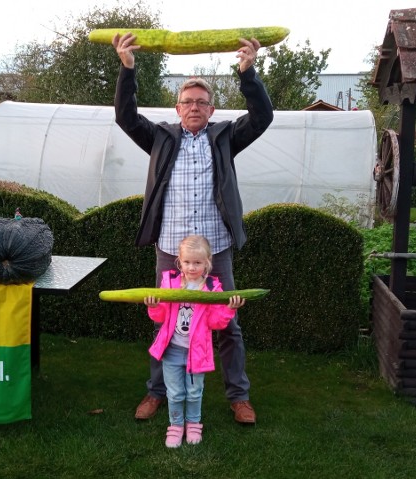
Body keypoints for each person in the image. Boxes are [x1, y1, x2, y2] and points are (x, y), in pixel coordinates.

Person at [112, 32, 274, 425]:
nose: (194, 107)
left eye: (202, 102)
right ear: (177, 107)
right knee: (166, 320)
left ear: (212, 108)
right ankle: (156, 393)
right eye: (188, 102)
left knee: (228, 323)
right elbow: (125, 117)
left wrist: (248, 73)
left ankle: (239, 397)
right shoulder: (160, 138)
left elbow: (262, 117)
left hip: (216, 249)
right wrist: (128, 69)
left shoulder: (225, 137)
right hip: (170, 249)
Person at [144, 235, 246, 447]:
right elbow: (161, 316)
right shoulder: (169, 282)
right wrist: (154, 306)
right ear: (179, 261)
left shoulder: (212, 288)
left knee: (193, 392)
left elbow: (216, 322)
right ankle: (175, 425)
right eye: (187, 262)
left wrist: (229, 309)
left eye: (198, 262)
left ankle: (193, 424)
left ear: (207, 262)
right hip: (172, 350)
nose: (191, 267)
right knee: (175, 392)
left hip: (196, 351)